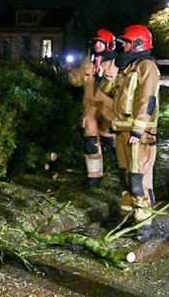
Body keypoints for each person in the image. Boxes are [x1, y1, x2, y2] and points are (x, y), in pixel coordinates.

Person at [109, 24, 160, 235]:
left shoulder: (147, 67)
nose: (123, 47)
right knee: (125, 178)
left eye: (127, 43)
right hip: (123, 131)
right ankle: (128, 216)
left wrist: (138, 131)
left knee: (137, 180)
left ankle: (143, 223)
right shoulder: (129, 68)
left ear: (138, 44)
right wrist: (100, 77)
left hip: (137, 135)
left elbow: (147, 100)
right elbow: (114, 93)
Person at [68, 29, 118, 187]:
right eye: (95, 42)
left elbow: (121, 89)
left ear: (108, 44)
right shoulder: (87, 62)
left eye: (101, 42)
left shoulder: (116, 64)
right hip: (90, 110)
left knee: (113, 144)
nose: (97, 45)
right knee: (90, 144)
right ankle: (94, 177)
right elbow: (78, 81)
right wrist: (71, 72)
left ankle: (122, 172)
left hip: (109, 111)